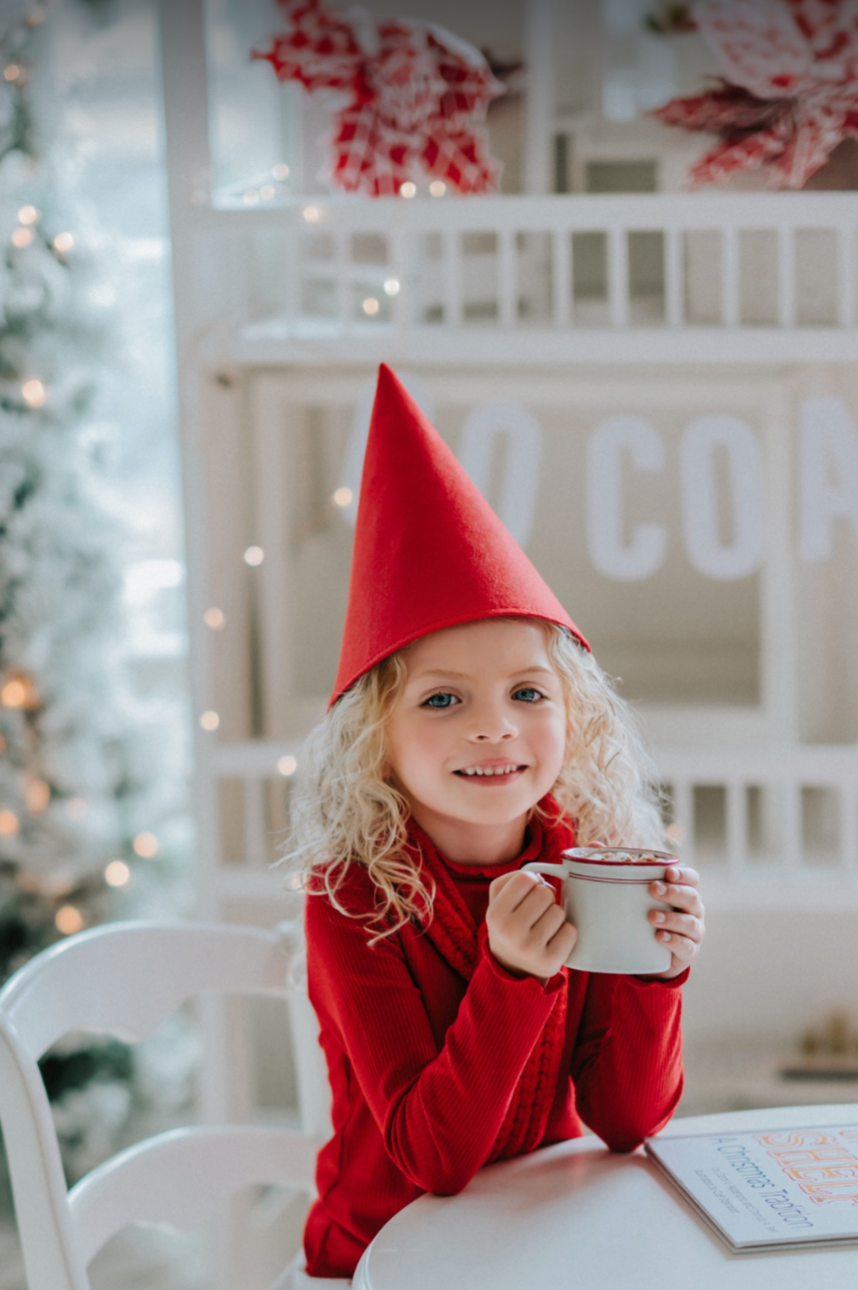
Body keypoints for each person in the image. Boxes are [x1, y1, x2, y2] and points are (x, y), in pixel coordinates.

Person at [285, 365, 705, 1281]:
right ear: (376, 741)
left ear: (573, 714)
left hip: (537, 1247)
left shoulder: (575, 860)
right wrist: (512, 973)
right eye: (442, 699)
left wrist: (656, 970)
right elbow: (433, 1162)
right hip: (378, 1263)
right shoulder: (353, 898)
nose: (494, 726)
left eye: (527, 692)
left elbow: (628, 1122)